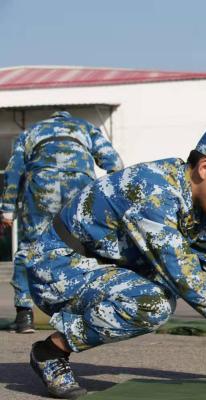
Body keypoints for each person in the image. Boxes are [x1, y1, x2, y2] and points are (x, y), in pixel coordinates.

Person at [25, 127, 206, 399]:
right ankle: (51, 351)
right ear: (205, 168)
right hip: (59, 270)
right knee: (153, 302)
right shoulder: (152, 191)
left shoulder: (194, 202)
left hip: (103, 267)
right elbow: (186, 279)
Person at [0, 111, 123, 334]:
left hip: (42, 185)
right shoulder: (85, 127)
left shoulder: (31, 131)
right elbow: (114, 163)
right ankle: (80, 310)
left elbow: (14, 170)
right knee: (82, 245)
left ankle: (24, 315)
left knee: (30, 248)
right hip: (80, 183)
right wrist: (114, 200)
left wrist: (7, 210)